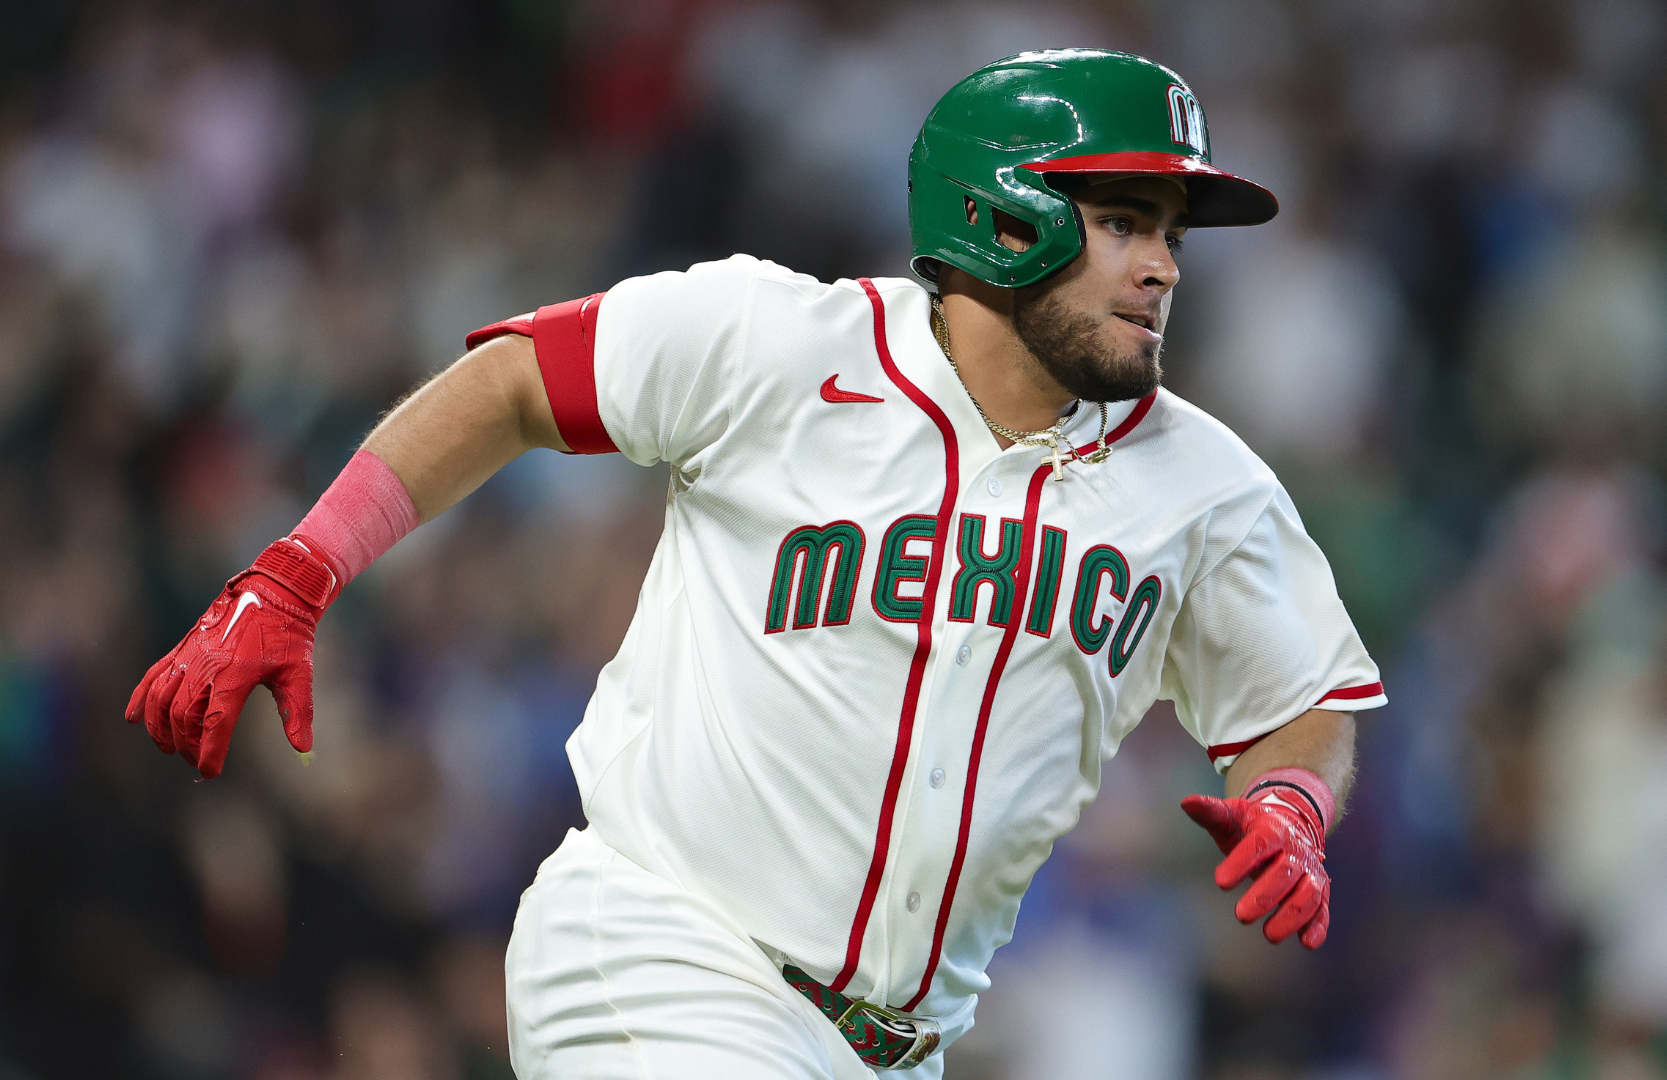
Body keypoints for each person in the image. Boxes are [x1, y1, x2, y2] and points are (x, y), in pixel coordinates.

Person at [126, 49, 1385, 1078]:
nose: (1165, 264)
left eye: (1171, 230)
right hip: (667, 953)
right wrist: (299, 573)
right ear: (1003, 211)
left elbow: (1303, 702)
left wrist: (1295, 802)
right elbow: (517, 379)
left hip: (900, 1050)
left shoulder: (1205, 485)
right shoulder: (778, 343)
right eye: (1124, 221)